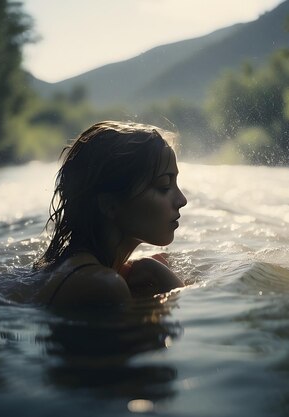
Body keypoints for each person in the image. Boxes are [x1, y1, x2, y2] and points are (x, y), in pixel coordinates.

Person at [34, 121, 188, 307]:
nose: (182, 200)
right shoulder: (104, 285)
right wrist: (169, 283)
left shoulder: (81, 267)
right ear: (110, 205)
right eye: (164, 186)